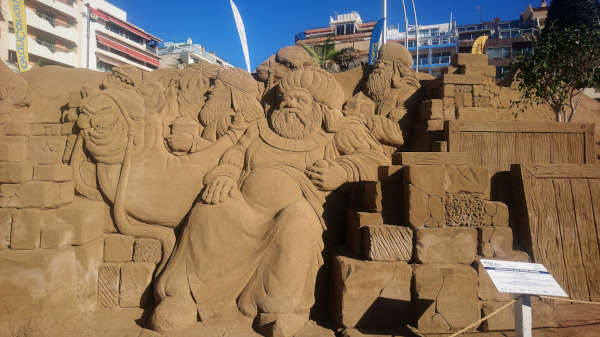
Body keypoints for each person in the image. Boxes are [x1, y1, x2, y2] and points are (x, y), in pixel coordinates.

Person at [152, 67, 390, 337]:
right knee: (210, 206)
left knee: (297, 222)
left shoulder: (336, 134)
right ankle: (184, 296)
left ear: (320, 108)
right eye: (285, 100)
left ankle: (280, 309)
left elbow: (378, 160)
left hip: (296, 215)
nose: (289, 105)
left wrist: (343, 171)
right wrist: (227, 176)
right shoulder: (259, 130)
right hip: (245, 210)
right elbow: (234, 155)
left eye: (300, 100)